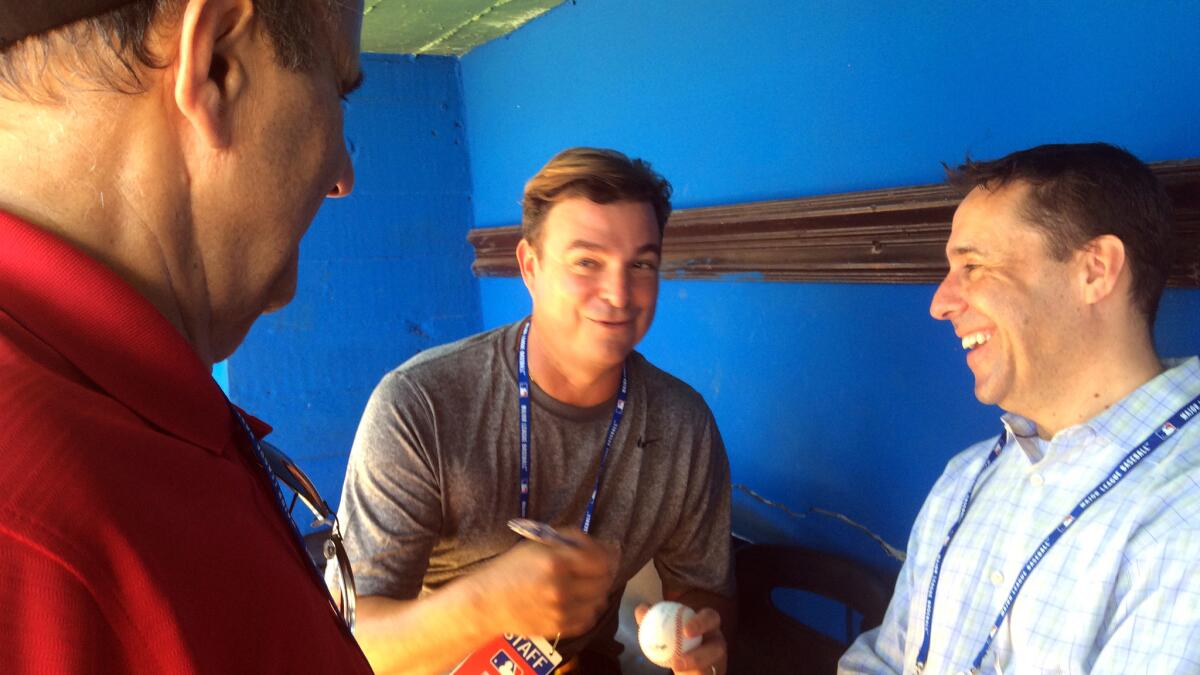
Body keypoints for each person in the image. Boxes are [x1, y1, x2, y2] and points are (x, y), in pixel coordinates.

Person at [0, 0, 372, 672]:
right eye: (339, 86)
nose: (343, 173)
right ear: (217, 65)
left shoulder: (116, 403)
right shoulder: (32, 546)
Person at [334, 147, 736, 675]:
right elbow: (346, 643)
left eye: (640, 264)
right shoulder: (421, 405)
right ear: (530, 266)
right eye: (587, 262)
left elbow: (702, 585)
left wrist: (698, 633)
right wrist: (486, 603)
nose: (618, 293)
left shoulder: (683, 425)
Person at [840, 143, 1200, 674]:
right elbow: (882, 661)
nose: (940, 303)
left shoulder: (1182, 522)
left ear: (1095, 271)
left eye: (974, 265)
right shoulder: (964, 480)